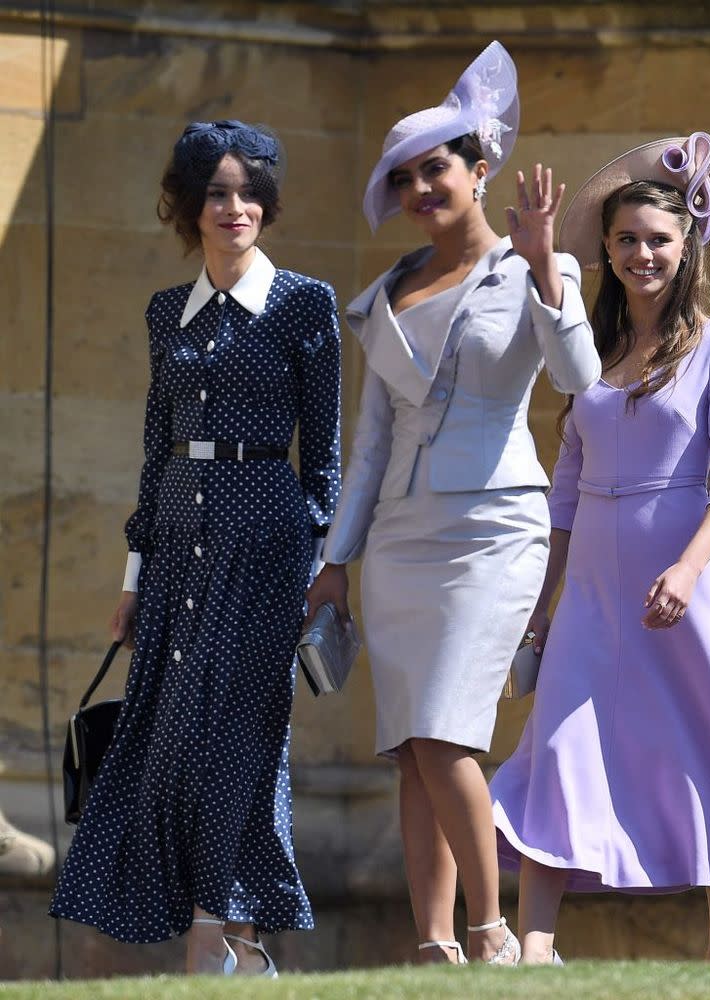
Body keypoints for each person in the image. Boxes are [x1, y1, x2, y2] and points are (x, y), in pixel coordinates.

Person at [306, 42, 600, 966]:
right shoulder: (384, 296)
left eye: (437, 167)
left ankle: (492, 930)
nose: (421, 187)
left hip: (493, 532)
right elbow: (371, 446)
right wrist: (335, 560)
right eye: (404, 178)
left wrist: (551, 267)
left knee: (443, 734)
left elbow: (579, 383)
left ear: (480, 170)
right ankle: (433, 945)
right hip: (397, 542)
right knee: (409, 745)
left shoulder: (535, 272)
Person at [49, 120, 341, 976]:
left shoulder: (304, 303)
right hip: (177, 540)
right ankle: (222, 937)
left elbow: (320, 453)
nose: (236, 206)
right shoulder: (162, 313)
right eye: (217, 191)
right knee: (167, 733)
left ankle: (225, 929)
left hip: (264, 540)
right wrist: (134, 576)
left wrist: (321, 568)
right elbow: (153, 450)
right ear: (188, 205)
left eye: (250, 191)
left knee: (243, 733)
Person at [489, 131, 710, 965]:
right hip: (593, 596)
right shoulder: (592, 356)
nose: (643, 254)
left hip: (684, 589)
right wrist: (542, 603)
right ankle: (534, 951)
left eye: (659, 240)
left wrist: (688, 565)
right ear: (605, 248)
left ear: (687, 249)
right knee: (556, 748)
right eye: (628, 239)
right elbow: (565, 488)